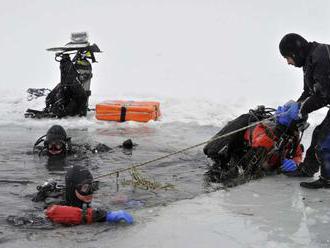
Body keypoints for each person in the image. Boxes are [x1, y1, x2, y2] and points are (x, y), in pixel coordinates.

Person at [203, 105, 306, 186]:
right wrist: (275, 137)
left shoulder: (292, 138)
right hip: (240, 159)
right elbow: (258, 142)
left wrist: (295, 162)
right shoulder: (264, 128)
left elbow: (297, 154)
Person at [278, 33, 330, 188]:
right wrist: (296, 105)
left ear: (295, 52)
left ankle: (328, 179)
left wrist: (300, 109)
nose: (288, 62)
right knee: (320, 133)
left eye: (288, 57)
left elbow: (323, 95)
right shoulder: (310, 60)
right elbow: (309, 93)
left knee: (325, 138)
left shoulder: (320, 57)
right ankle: (308, 169)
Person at [34, 165, 133, 225]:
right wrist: (104, 216)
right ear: (73, 189)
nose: (90, 192)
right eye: (85, 188)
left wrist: (122, 201)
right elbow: (55, 212)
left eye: (92, 186)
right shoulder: (55, 204)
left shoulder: (84, 199)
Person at [33, 125, 111, 157]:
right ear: (46, 145)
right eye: (50, 145)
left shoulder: (74, 152)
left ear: (64, 145)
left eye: (57, 145)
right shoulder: (42, 153)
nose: (54, 149)